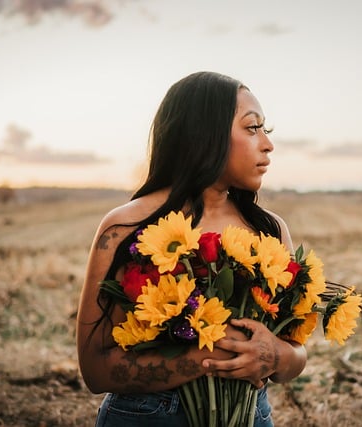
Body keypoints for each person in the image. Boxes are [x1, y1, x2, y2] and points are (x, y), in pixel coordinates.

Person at [76, 71, 307, 426]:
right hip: (148, 417)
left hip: (250, 414)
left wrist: (274, 357)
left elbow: (296, 351)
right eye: (251, 128)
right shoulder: (125, 228)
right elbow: (95, 369)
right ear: (205, 135)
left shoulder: (269, 231)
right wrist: (206, 356)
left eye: (266, 130)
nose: (267, 144)